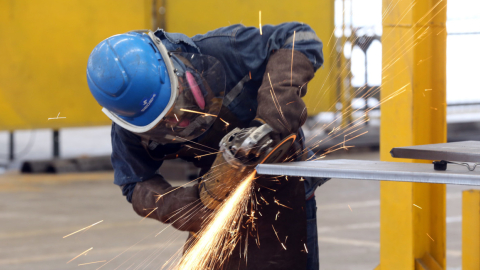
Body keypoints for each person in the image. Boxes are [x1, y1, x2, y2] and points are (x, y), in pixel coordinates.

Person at [86, 22, 327, 270]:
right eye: (163, 122)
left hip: (284, 186)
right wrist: (185, 206)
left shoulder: (224, 50)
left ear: (175, 67)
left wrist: (273, 114)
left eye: (175, 105)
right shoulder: (130, 127)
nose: (178, 121)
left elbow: (299, 36)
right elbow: (134, 183)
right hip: (221, 194)